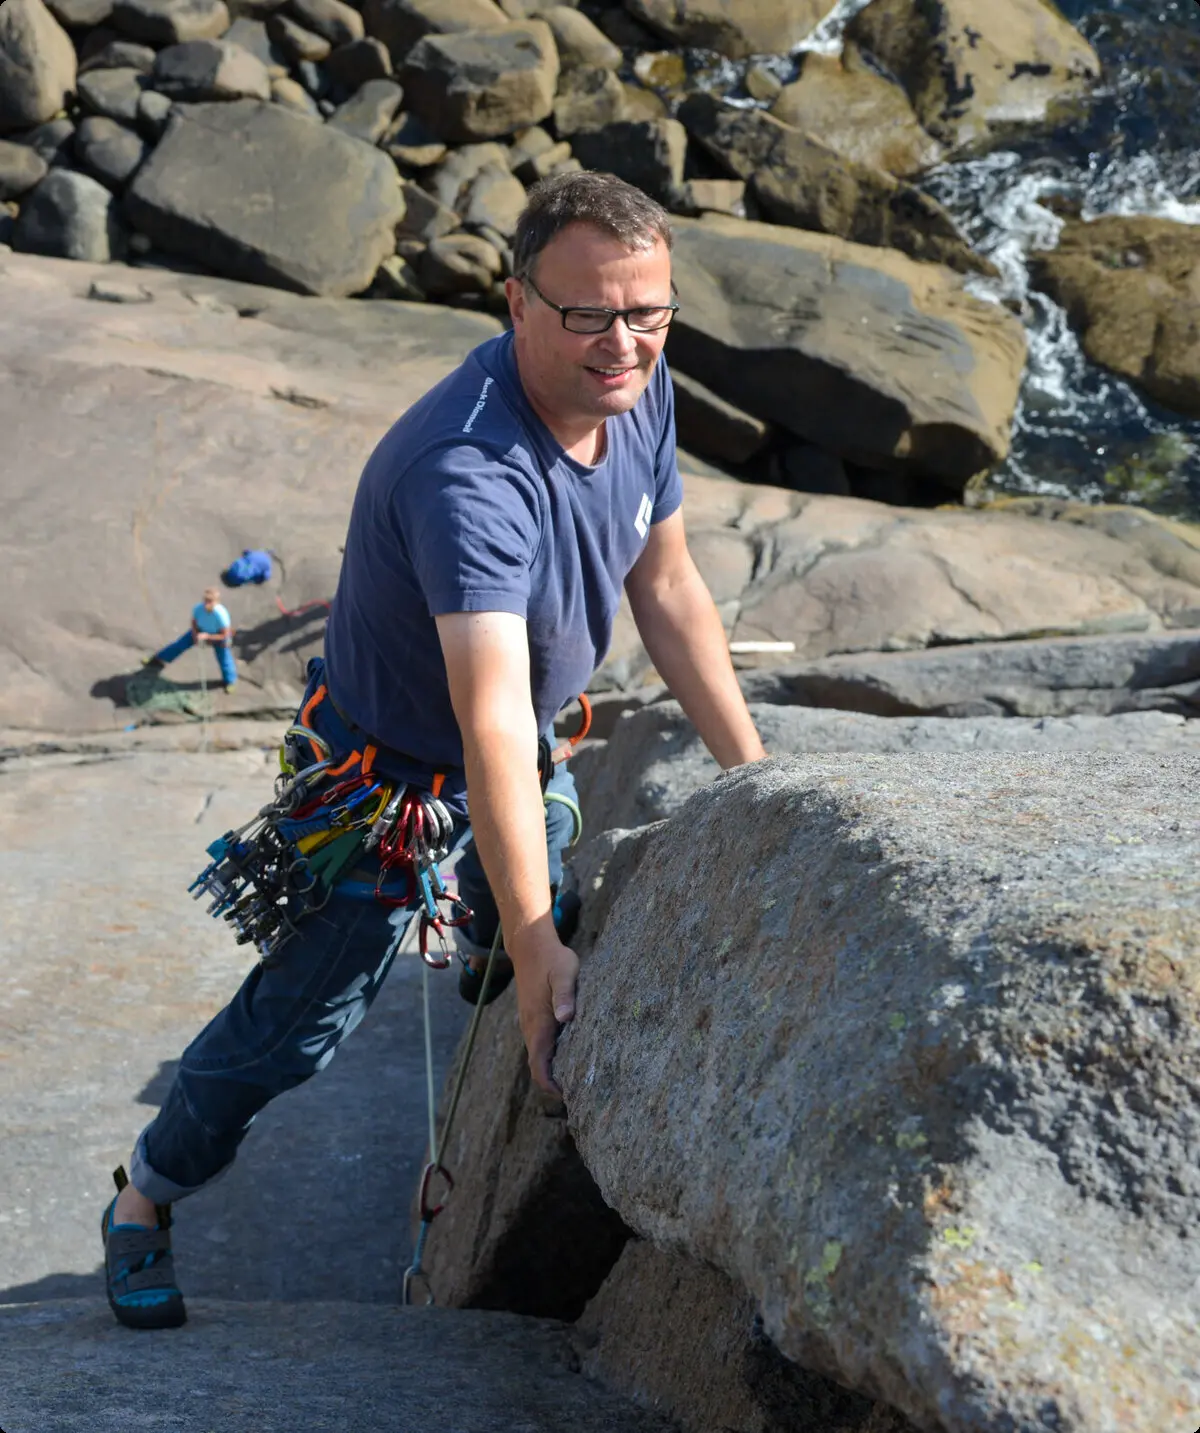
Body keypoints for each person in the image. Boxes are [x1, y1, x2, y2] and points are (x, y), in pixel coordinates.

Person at [101, 171, 768, 1330]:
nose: (624, 343)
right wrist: (532, 938)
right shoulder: (467, 474)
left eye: (649, 313)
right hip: (387, 787)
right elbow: (491, 719)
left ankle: (498, 948)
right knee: (298, 1026)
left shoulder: (634, 389)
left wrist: (760, 784)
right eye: (589, 314)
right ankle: (144, 1197)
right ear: (516, 302)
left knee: (545, 900)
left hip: (521, 752)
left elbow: (666, 586)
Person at [144, 588, 237, 692]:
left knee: (224, 658)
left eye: (210, 601)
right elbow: (194, 622)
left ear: (216, 602)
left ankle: (230, 681)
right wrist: (195, 634)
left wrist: (207, 637)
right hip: (200, 631)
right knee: (179, 645)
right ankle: (158, 659)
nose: (207, 604)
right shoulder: (198, 608)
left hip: (218, 636)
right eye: (206, 600)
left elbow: (225, 635)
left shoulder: (221, 615)